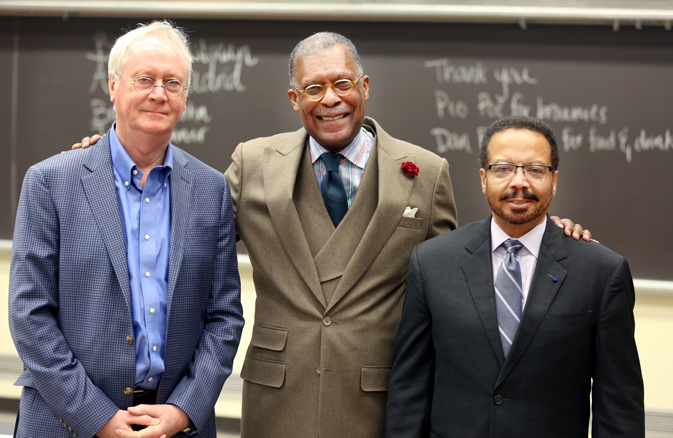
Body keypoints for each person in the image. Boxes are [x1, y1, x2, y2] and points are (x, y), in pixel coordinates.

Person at [75, 32, 589, 438]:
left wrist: (547, 237)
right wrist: (119, 158)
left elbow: (461, 278)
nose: (330, 100)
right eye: (313, 89)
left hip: (379, 399)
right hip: (277, 396)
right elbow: (181, 231)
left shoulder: (424, 172)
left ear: (364, 87)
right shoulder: (253, 162)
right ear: (294, 98)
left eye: (342, 84)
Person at [9, 21, 244, 438]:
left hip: (174, 427)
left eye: (173, 82)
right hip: (67, 424)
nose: (159, 93)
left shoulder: (211, 190)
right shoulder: (50, 182)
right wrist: (96, 416)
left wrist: (183, 411)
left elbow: (224, 317)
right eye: (144, 79)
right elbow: (29, 315)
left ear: (185, 97)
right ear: (114, 86)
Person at [386, 115, 644, 438]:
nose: (519, 182)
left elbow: (619, 407)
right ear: (483, 179)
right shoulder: (431, 263)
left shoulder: (601, 273)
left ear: (554, 180)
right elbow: (409, 388)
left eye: (535, 169)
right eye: (503, 168)